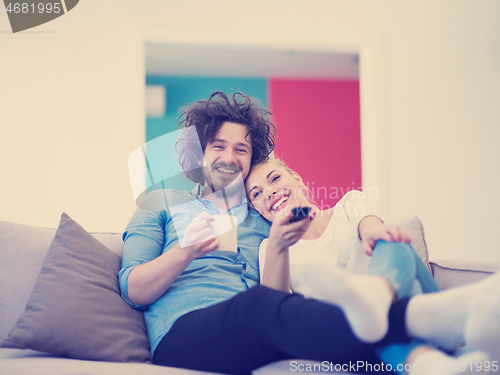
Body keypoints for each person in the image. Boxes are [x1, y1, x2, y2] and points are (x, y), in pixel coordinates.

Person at [119, 91, 499, 375]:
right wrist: (184, 252)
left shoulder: (262, 222)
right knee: (261, 306)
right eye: (218, 146)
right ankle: (429, 317)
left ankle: (427, 358)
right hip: (184, 341)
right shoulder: (161, 203)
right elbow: (133, 289)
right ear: (198, 155)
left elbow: (321, 236)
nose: (230, 158)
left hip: (259, 340)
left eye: (241, 150)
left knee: (291, 317)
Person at [245, 158, 494, 374]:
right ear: (256, 208)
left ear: (297, 179)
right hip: (353, 337)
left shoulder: (349, 203)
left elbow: (371, 226)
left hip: (390, 312)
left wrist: (373, 232)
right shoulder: (271, 248)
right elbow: (275, 315)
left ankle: (378, 296)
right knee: (369, 323)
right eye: (256, 194)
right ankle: (444, 357)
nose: (268, 192)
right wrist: (280, 243)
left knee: (390, 240)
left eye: (275, 178)